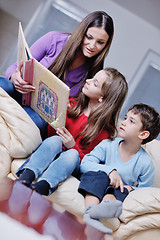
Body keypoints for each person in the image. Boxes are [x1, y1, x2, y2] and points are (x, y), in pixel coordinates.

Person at [15, 67, 128, 197]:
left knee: (72, 154)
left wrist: (71, 145)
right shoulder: (73, 104)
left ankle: (43, 186)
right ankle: (26, 177)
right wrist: (59, 113)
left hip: (72, 161)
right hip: (53, 147)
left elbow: (89, 162)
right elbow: (52, 132)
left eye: (94, 83)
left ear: (102, 98)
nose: (88, 81)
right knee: (55, 140)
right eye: (92, 78)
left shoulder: (104, 132)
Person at [0, 11, 114, 138]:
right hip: (20, 92)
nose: (92, 46)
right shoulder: (54, 39)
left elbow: (80, 110)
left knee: (33, 120)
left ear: (106, 45)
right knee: (3, 84)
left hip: (41, 115)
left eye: (100, 42)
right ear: (82, 32)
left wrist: (67, 108)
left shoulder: (95, 74)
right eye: (89, 37)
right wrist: (15, 77)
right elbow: (14, 68)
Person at [78, 103, 160, 234]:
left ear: (143, 134)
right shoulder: (107, 144)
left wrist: (131, 188)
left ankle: (106, 208)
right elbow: (85, 163)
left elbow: (145, 190)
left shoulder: (145, 163)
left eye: (131, 121)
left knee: (121, 191)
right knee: (99, 175)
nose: (124, 122)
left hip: (116, 191)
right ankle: (90, 214)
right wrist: (110, 171)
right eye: (126, 117)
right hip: (97, 182)